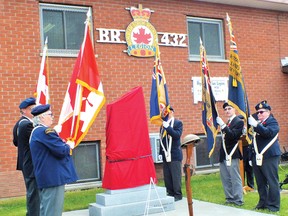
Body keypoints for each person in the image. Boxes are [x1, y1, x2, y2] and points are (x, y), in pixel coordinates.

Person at [29, 104, 78, 216]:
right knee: (52, 212)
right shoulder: (44, 132)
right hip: (53, 177)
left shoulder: (37, 131)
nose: (52, 117)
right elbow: (61, 150)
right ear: (41, 117)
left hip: (47, 177)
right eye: (50, 115)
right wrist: (69, 145)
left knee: (47, 210)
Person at [248, 100, 281, 212]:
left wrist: (256, 125)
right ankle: (263, 203)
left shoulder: (273, 122)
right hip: (258, 157)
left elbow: (267, 133)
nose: (259, 114)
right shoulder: (259, 124)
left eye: (262, 112)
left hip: (269, 156)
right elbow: (253, 142)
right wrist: (250, 157)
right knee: (261, 182)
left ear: (268, 112)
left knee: (272, 181)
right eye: (258, 112)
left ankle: (274, 206)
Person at [12, 97, 40, 215]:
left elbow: (16, 142)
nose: (34, 111)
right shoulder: (27, 125)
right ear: (23, 110)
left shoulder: (18, 123)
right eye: (31, 109)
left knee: (32, 192)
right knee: (34, 193)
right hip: (30, 163)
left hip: (25, 162)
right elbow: (37, 141)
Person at [216, 102, 244, 206]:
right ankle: (229, 198)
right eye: (225, 109)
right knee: (225, 177)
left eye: (229, 108)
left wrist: (222, 125)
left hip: (232, 153)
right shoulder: (228, 122)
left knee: (234, 177)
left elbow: (233, 136)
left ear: (234, 109)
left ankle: (238, 199)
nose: (227, 111)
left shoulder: (238, 122)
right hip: (224, 153)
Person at [159, 106, 183, 201]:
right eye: (164, 112)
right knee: (167, 176)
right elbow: (162, 140)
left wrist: (168, 127)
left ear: (172, 112)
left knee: (175, 176)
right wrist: (161, 152)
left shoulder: (177, 123)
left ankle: (177, 194)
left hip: (174, 154)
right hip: (166, 154)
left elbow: (176, 135)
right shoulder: (163, 125)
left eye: (167, 112)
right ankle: (170, 193)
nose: (166, 114)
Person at [238, 115, 254, 191]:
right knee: (242, 167)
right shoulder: (238, 128)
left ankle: (251, 185)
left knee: (249, 167)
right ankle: (241, 184)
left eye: (243, 120)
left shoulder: (248, 128)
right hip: (241, 149)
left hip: (248, 148)